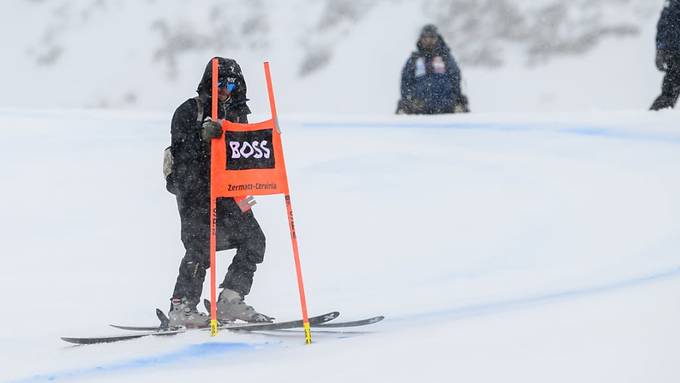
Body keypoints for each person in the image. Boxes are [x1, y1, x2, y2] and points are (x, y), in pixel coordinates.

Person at [165, 57, 272, 327]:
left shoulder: (237, 115)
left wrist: (269, 142)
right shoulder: (189, 111)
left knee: (254, 239)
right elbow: (182, 157)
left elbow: (243, 155)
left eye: (233, 85)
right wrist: (202, 138)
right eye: (222, 83)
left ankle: (230, 300)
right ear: (210, 83)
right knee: (200, 247)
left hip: (229, 191)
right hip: (195, 193)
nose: (227, 89)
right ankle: (182, 306)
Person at [396, 24, 469, 114]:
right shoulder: (414, 59)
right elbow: (406, 81)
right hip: (419, 108)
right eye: (425, 38)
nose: (428, 41)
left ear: (437, 39)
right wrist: (408, 100)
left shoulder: (445, 57)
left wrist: (457, 100)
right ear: (421, 39)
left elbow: (455, 78)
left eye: (431, 37)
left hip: (446, 107)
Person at [651, 0, 680, 110]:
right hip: (674, 52)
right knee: (669, 93)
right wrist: (661, 48)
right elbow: (665, 24)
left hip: (672, 51)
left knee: (669, 92)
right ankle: (650, 120)